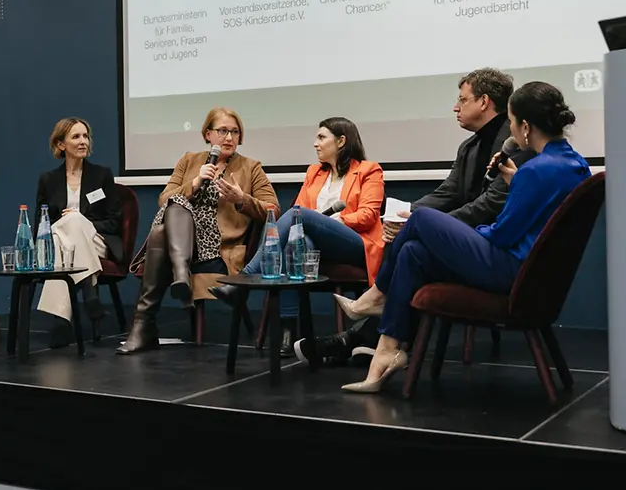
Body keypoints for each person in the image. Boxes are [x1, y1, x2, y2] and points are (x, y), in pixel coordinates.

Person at [340, 81, 590, 393]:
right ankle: (386, 354)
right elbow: (538, 212)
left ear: (525, 127)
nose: (510, 129)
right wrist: (516, 183)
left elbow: (503, 234)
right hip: (535, 271)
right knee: (413, 253)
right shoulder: (574, 163)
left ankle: (377, 294)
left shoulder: (537, 170)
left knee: (420, 219)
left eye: (511, 122)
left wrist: (472, 233)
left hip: (511, 269)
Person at [295, 67, 536, 366]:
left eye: (462, 99)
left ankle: (367, 321)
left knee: (417, 237)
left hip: (492, 241)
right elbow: (448, 192)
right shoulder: (470, 145)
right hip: (468, 237)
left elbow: (492, 205)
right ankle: (376, 340)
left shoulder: (514, 143)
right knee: (411, 244)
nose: (455, 107)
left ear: (484, 101)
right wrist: (404, 212)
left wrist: (434, 224)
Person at [210, 117, 384, 357]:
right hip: (316, 246)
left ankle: (246, 278)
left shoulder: (368, 170)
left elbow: (368, 215)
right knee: (295, 246)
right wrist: (313, 225)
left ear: (341, 141)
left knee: (299, 216)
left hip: (354, 243)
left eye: (322, 137)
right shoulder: (315, 173)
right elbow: (299, 215)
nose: (315, 143)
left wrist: (333, 222)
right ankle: (288, 334)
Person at [117, 107, 279, 354]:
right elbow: (164, 200)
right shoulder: (189, 160)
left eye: (235, 132)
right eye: (223, 131)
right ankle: (179, 274)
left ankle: (144, 323)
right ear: (208, 134)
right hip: (185, 244)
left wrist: (241, 198)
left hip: (219, 250)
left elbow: (273, 209)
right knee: (174, 206)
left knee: (161, 232)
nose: (229, 138)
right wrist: (193, 183)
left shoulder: (251, 167)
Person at [34, 117, 123, 347]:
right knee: (62, 234)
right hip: (61, 243)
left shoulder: (102, 175)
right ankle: (88, 293)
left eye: (85, 136)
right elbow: (41, 225)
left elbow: (114, 222)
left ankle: (61, 320)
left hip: (97, 241)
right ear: (61, 144)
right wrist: (69, 223)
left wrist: (80, 220)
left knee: (73, 220)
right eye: (76, 137)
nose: (83, 141)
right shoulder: (48, 180)